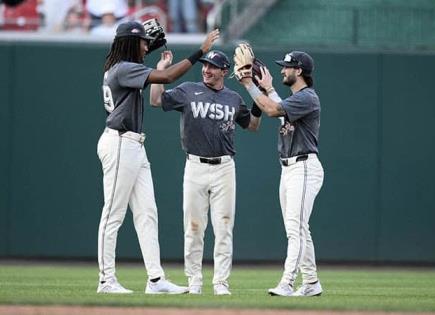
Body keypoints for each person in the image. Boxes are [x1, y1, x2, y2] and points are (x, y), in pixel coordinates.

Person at [96, 20, 220, 294]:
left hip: (133, 144)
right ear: (130, 44)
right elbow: (166, 78)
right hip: (119, 142)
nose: (146, 45)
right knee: (113, 215)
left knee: (147, 213)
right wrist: (200, 51)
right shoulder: (124, 69)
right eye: (142, 42)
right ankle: (106, 280)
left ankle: (155, 279)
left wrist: (153, 54)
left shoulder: (120, 66)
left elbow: (145, 63)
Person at [149, 50, 261, 295]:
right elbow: (156, 100)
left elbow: (252, 125)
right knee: (193, 228)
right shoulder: (188, 89)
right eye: (205, 65)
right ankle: (194, 282)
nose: (206, 70)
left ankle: (221, 282)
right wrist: (160, 69)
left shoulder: (233, 98)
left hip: (224, 168)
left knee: (223, 228)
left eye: (212, 66)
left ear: (224, 71)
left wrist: (259, 95)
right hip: (195, 166)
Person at [236, 50, 324, 297]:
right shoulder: (296, 99)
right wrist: (266, 88)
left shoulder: (308, 97)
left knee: (294, 229)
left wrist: (250, 85)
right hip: (290, 169)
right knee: (299, 229)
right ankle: (311, 283)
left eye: (287, 67)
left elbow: (273, 111)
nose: (282, 70)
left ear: (299, 71)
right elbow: (279, 109)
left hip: (304, 166)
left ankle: (287, 282)